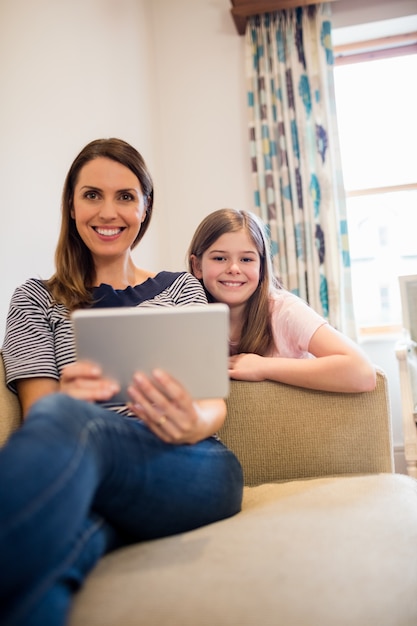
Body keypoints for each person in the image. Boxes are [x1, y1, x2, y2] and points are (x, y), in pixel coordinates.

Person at [0, 139, 243, 626]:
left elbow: (214, 403)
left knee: (72, 427)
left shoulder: (182, 289)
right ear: (71, 205)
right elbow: (41, 416)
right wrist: (70, 400)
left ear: (144, 207)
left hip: (191, 462)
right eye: (92, 195)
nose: (108, 211)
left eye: (126, 196)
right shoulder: (34, 299)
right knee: (67, 543)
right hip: (90, 461)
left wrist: (190, 421)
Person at [188, 208, 376, 393]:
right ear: (197, 266)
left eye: (246, 259)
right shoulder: (187, 315)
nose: (234, 268)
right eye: (220, 258)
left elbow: (363, 372)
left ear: (261, 267)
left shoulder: (284, 310)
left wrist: (263, 367)